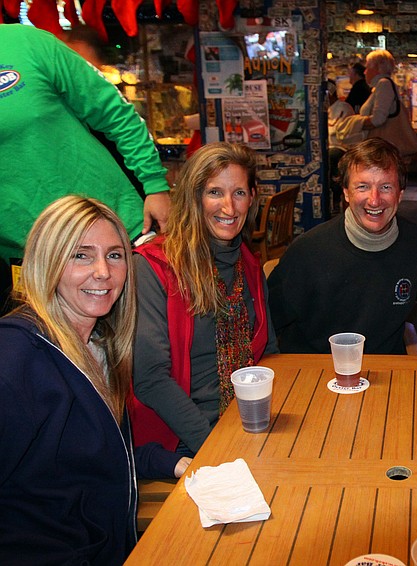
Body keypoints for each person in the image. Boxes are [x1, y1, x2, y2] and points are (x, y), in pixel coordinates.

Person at [0, 196, 188, 565]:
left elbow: (84, 455)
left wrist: (170, 463)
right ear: (47, 261)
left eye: (114, 255)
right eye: (81, 255)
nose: (103, 272)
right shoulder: (16, 357)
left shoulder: (99, 345)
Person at [130, 142, 278, 456]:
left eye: (239, 193)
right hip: (186, 440)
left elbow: (270, 352)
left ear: (252, 198)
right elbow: (151, 379)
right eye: (214, 192)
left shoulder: (248, 264)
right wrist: (217, 448)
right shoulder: (155, 267)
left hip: (248, 422)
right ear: (193, 197)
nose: (229, 207)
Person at [0, 24, 170, 263]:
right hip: (32, 257)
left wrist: (154, 185)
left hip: (115, 228)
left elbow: (113, 111)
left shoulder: (24, 43)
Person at [268, 138, 417, 354]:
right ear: (346, 193)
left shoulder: (415, 242)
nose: (374, 200)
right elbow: (266, 322)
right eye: (363, 187)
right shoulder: (307, 252)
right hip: (317, 366)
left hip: (385, 367)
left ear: (400, 195)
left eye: (385, 187)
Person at [327, 78, 354, 215]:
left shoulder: (343, 108)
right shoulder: (324, 109)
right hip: (328, 148)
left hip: (342, 147)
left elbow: (341, 133)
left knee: (332, 156)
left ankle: (336, 197)